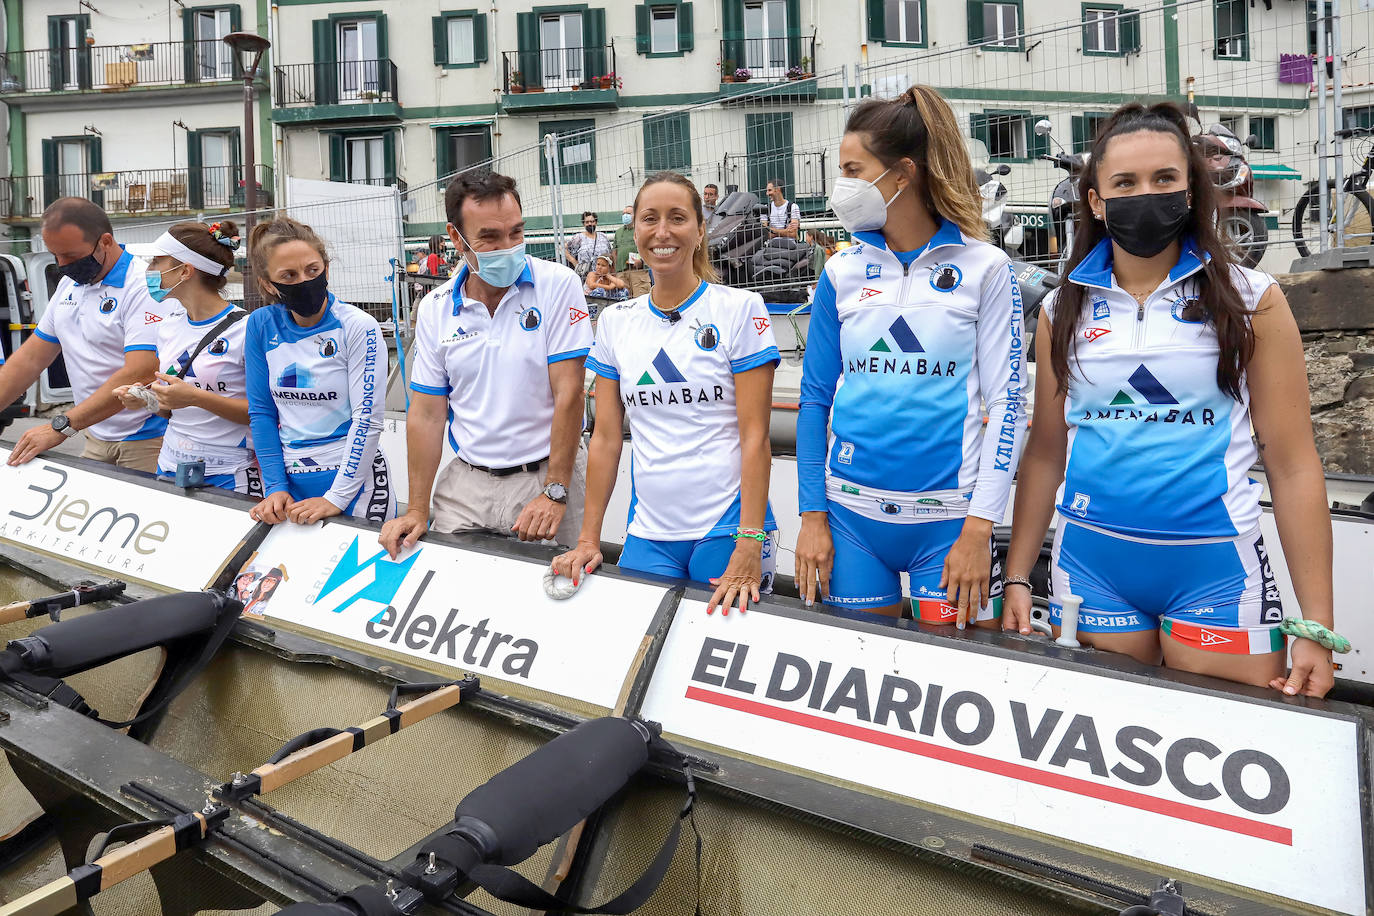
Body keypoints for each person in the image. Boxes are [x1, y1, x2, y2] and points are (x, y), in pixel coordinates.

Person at [1003, 102, 1337, 698]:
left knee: (1221, 761)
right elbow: (1046, 453)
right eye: (1125, 183)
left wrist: (1315, 623)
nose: (1145, 194)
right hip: (1090, 569)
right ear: (1097, 202)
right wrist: (1019, 577)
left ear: (1191, 191)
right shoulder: (1061, 308)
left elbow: (1292, 464)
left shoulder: (1252, 298)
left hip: (1214, 573)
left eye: (1164, 179)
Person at [794, 86, 1027, 629]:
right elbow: (814, 401)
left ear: (902, 175)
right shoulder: (840, 271)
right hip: (849, 517)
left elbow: (1008, 404)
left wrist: (979, 527)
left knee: (961, 682)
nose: (842, 187)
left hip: (950, 524)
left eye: (853, 169)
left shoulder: (986, 268)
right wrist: (811, 515)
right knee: (853, 681)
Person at [552, 171, 780, 616]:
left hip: (729, 528)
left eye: (677, 218)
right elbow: (605, 439)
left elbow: (756, 437)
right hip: (650, 532)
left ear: (699, 229)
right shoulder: (617, 322)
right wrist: (588, 540)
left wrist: (750, 541)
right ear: (633, 229)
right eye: (649, 219)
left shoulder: (739, 309)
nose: (662, 232)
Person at [379, 170, 591, 558]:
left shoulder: (559, 285)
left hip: (549, 477)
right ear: (455, 237)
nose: (508, 247)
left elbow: (570, 393)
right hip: (467, 484)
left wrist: (556, 489)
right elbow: (426, 415)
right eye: (490, 237)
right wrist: (416, 508)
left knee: (561, 598)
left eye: (516, 232)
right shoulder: (434, 308)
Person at [243, 216, 394, 526]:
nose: (304, 281)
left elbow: (367, 420)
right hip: (289, 481)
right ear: (268, 284)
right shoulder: (260, 325)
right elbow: (261, 413)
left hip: (354, 482)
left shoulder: (357, 326)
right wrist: (275, 487)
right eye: (289, 275)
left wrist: (336, 498)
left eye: (312, 270)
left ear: (326, 267)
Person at [0, 198, 169, 470]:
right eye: (56, 255)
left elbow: (141, 372)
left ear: (105, 242)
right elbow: (30, 359)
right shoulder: (69, 285)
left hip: (149, 439)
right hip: (94, 433)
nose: (62, 264)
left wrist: (61, 427)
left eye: (71, 256)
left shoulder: (141, 286)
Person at [112, 221, 259, 495]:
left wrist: (194, 397)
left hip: (229, 473)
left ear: (185, 270)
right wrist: (145, 399)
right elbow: (172, 407)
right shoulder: (168, 324)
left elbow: (260, 413)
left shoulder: (247, 328)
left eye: (157, 261)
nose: (149, 270)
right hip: (170, 465)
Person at [565, 210, 611, 279]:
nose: (590, 224)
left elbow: (610, 254)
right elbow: (565, 249)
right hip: (585, 277)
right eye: (587, 222)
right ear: (583, 224)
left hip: (603, 277)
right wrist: (576, 264)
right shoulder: (578, 238)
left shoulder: (603, 237)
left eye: (592, 221)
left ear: (596, 222)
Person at [613, 205, 638, 272]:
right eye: (623, 214)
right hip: (621, 271)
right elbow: (614, 250)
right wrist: (616, 267)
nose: (625, 216)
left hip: (637, 270)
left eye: (628, 213)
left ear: (635, 215)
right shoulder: (618, 232)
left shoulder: (639, 230)